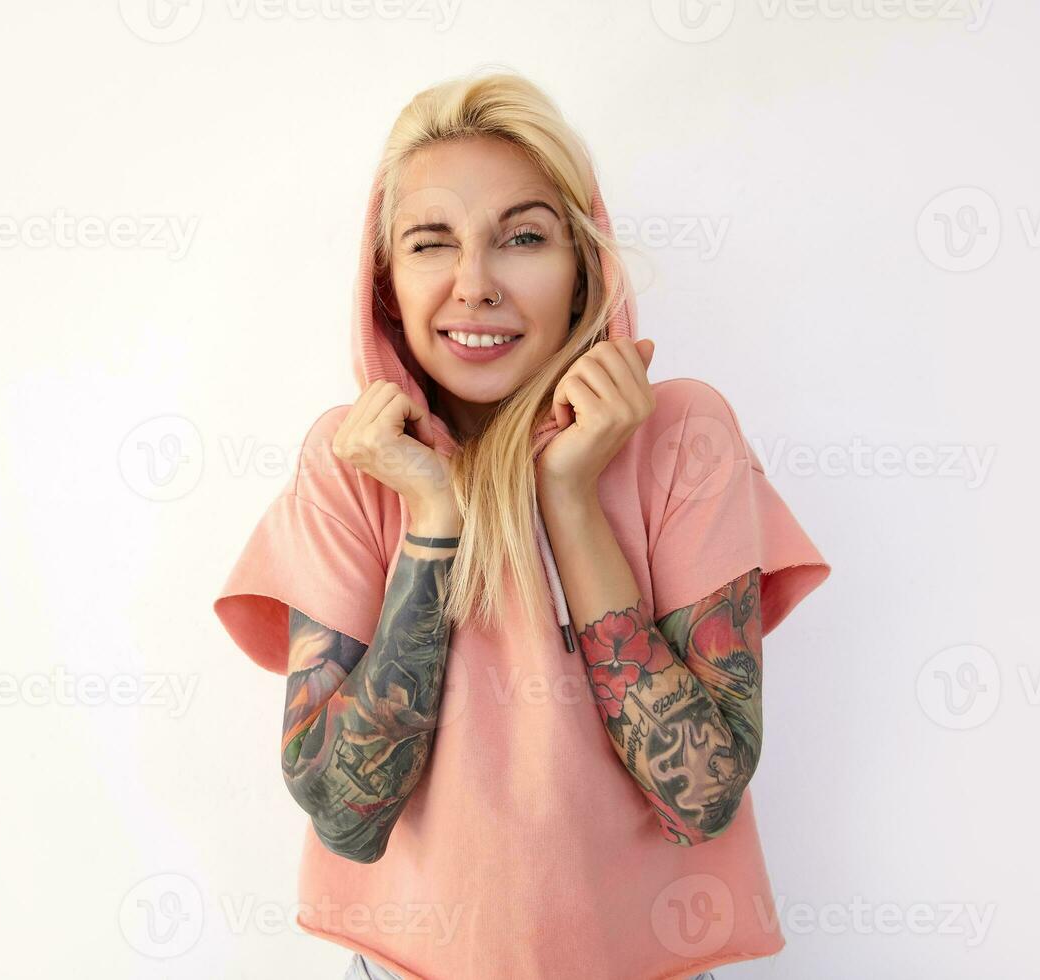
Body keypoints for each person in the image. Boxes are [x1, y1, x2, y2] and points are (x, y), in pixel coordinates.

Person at [213, 69, 831, 980]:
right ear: (384, 283)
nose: (475, 285)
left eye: (524, 239)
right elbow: (347, 813)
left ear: (584, 269)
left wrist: (571, 502)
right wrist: (433, 520)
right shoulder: (350, 462)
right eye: (432, 244)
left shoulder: (683, 438)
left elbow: (698, 795)